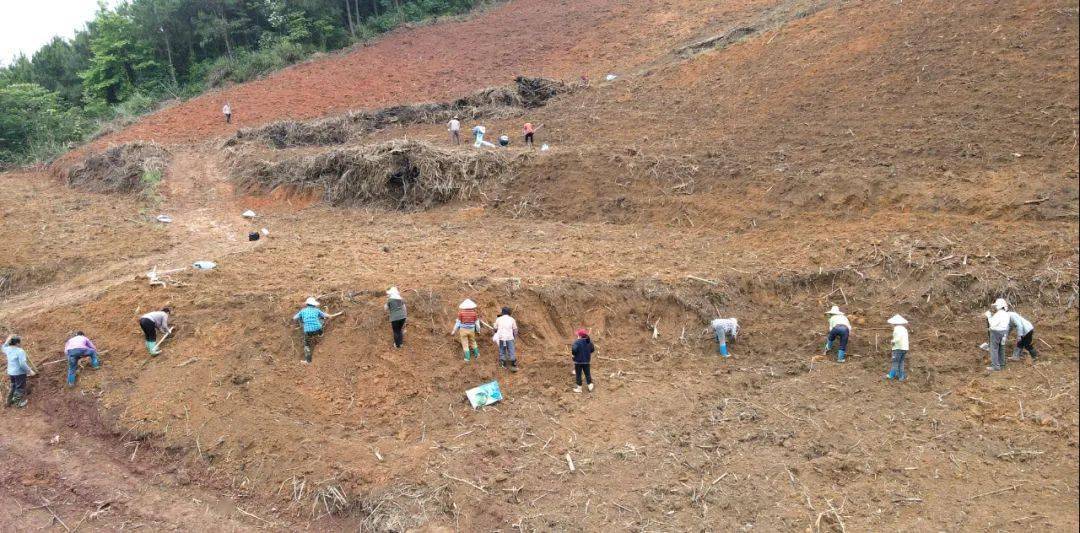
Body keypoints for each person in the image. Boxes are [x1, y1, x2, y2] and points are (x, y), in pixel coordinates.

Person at [293, 297, 332, 363]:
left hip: (308, 331)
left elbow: (294, 318)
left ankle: (308, 361)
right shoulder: (316, 310)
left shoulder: (303, 311)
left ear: (307, 304)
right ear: (314, 304)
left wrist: (302, 320)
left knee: (307, 345)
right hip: (318, 329)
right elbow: (324, 315)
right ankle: (321, 334)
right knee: (321, 320)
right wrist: (329, 315)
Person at [4, 335, 34, 407]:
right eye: (20, 342)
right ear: (17, 343)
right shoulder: (20, 351)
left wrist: (8, 340)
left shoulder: (7, 349)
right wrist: (30, 371)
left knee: (13, 386)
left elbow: (3, 346)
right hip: (19, 373)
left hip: (11, 372)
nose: (20, 344)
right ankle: (18, 403)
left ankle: (9, 401)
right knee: (20, 388)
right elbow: (22, 364)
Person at [985, 298, 1010, 371]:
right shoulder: (1006, 314)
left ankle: (995, 366)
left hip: (996, 333)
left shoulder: (999, 314)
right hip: (1004, 332)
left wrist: (989, 316)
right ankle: (1002, 364)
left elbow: (992, 323)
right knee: (1001, 348)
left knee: (994, 349)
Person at [493, 307, 519, 371]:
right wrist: (514, 337)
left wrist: (496, 331)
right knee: (511, 350)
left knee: (502, 350)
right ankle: (513, 364)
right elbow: (515, 330)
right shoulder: (512, 319)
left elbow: (495, 329)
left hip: (501, 338)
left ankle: (503, 363)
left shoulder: (498, 319)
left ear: (502, 312)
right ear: (509, 313)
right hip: (510, 337)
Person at [885, 314, 909, 381]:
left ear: (894, 323)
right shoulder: (904, 329)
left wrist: (892, 341)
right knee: (901, 362)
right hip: (905, 348)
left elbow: (897, 339)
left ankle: (891, 375)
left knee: (895, 361)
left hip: (898, 348)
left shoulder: (896, 329)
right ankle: (901, 377)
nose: (891, 325)